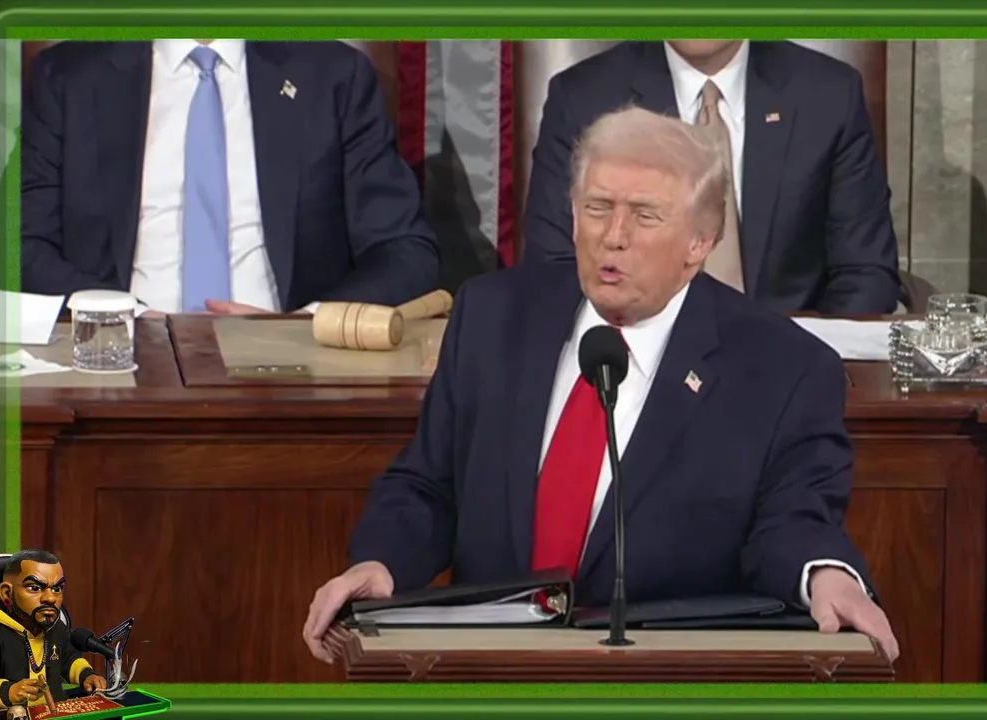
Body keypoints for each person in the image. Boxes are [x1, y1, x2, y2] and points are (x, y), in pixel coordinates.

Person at [303, 106, 899, 663]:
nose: (613, 235)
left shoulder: (781, 368)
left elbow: (792, 522)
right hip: (489, 668)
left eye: (644, 215)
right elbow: (429, 484)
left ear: (700, 241)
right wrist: (381, 563)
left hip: (665, 677)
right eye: (597, 207)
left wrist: (827, 576)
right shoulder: (492, 316)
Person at [20, 40, 439, 315]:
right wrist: (123, 318)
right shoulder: (70, 77)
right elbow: (20, 244)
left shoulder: (334, 76)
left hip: (292, 372)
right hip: (119, 364)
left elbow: (404, 251)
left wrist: (306, 327)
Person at [521, 40, 902, 315]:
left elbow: (864, 273)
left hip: (788, 365)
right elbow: (554, 270)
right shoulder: (583, 98)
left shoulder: (829, 95)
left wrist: (802, 368)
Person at [0, 550, 107, 712]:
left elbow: (69, 658)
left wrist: (86, 675)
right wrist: (9, 691)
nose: (50, 598)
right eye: (35, 588)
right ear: (7, 593)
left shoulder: (57, 628)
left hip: (56, 713)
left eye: (57, 589)